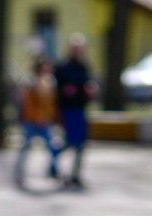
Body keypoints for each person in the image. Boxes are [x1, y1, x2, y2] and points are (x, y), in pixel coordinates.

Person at [13, 57, 61, 188]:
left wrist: (51, 117)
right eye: (46, 67)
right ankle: (19, 174)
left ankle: (53, 171)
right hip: (31, 121)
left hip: (45, 122)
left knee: (53, 146)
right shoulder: (30, 82)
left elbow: (51, 104)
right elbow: (28, 104)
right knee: (25, 148)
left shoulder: (51, 82)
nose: (49, 69)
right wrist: (37, 118)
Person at [55, 33, 94, 189]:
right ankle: (54, 164)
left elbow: (87, 84)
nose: (78, 51)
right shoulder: (63, 67)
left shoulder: (84, 66)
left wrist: (89, 90)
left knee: (81, 144)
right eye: (75, 48)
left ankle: (75, 174)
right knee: (69, 143)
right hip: (68, 110)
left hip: (81, 109)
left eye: (80, 48)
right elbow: (57, 90)